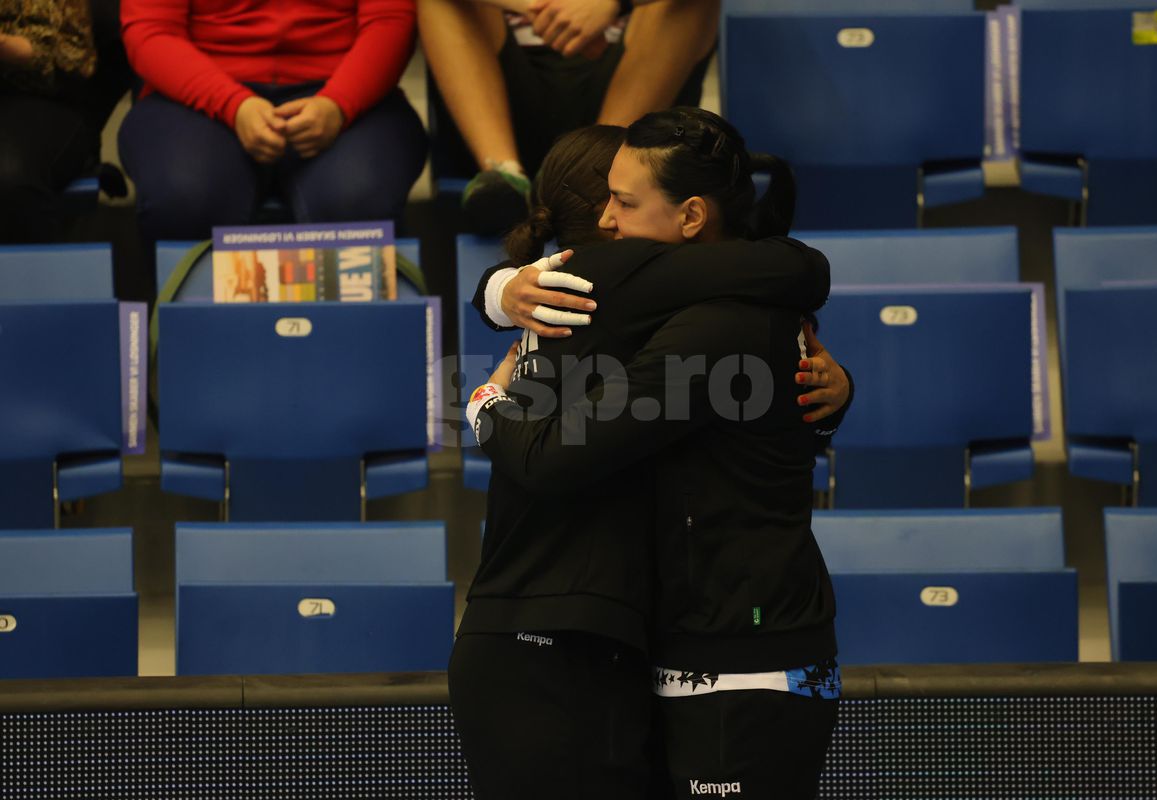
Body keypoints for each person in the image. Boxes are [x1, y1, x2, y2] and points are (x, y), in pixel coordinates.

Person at [465, 108, 850, 799]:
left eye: (629, 201)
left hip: (741, 655)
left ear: (694, 216)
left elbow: (556, 457)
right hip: (682, 647)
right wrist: (498, 293)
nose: (612, 219)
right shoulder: (650, 301)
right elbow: (797, 270)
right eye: (607, 199)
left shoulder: (714, 318)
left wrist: (485, 404)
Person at [118, 0, 428, 241]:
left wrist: (339, 103)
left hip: (343, 88)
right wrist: (232, 104)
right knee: (185, 200)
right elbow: (150, 31)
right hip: (200, 89)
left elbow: (391, 21)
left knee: (357, 203)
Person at [419, 0, 718, 234]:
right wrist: (553, 12)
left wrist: (613, 3)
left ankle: (599, 174)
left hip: (627, 81)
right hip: (504, 89)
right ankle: (504, 176)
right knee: (441, 3)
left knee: (682, 3)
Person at [0, 0, 126, 242]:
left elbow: (74, 56)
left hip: (46, 94)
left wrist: (5, 45)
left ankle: (32, 275)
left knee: (8, 179)